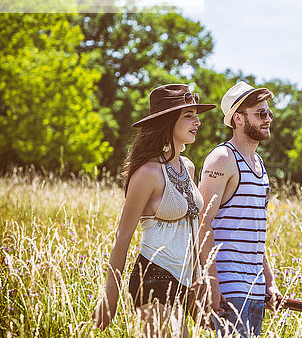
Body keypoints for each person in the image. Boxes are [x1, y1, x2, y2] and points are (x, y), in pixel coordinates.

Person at [93, 84, 216, 337]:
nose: (197, 122)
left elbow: (194, 229)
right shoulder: (148, 173)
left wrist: (199, 280)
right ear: (168, 122)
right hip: (154, 276)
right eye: (188, 115)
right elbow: (123, 236)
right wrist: (109, 297)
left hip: (185, 281)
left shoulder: (189, 167)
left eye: (196, 115)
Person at [198, 81, 281, 338]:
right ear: (238, 118)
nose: (268, 119)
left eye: (268, 112)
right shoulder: (222, 158)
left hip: (256, 291)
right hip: (229, 290)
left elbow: (255, 232)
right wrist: (212, 284)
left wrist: (270, 281)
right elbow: (202, 224)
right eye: (260, 113)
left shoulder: (259, 164)